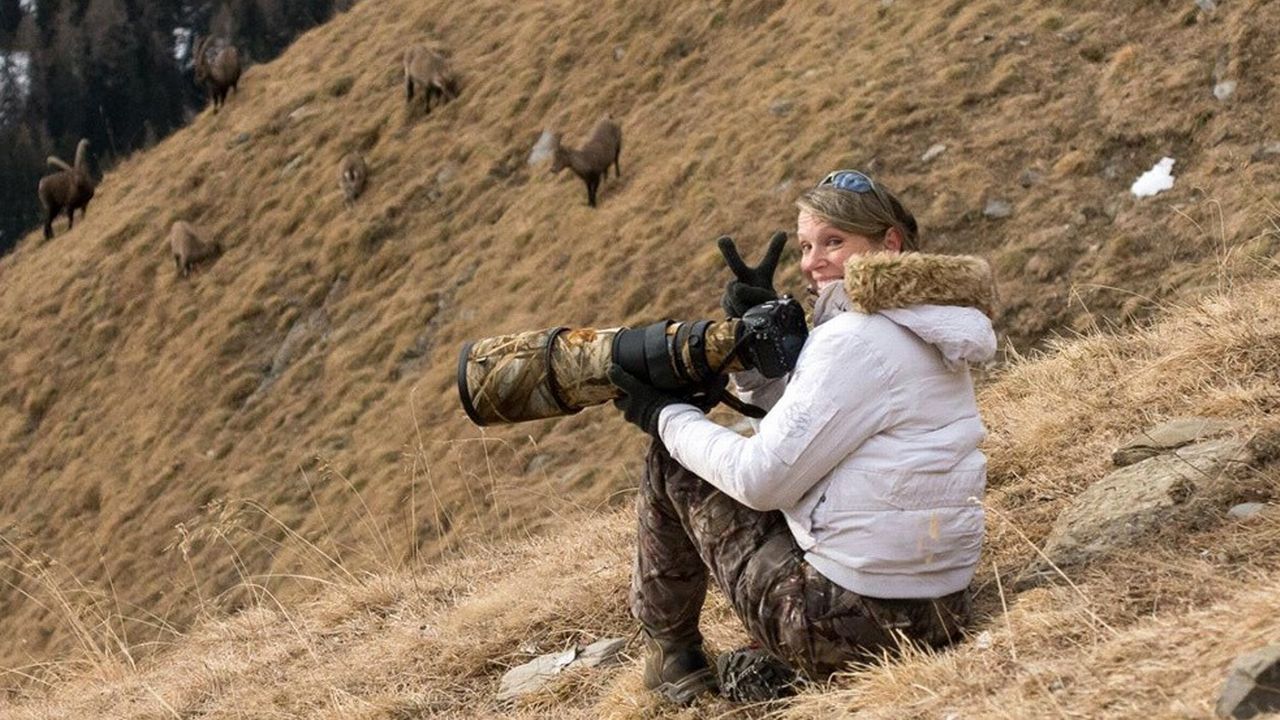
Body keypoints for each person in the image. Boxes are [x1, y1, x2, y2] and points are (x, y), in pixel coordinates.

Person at [607, 169, 998, 704]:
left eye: (834, 243)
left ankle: (673, 656)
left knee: (673, 459)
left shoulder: (856, 338)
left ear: (889, 243)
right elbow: (816, 428)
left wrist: (664, 415)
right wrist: (763, 360)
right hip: (940, 608)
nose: (813, 263)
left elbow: (761, 480)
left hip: (843, 629)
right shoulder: (928, 324)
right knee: (709, 449)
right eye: (808, 245)